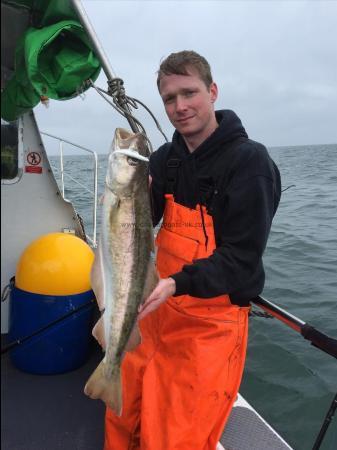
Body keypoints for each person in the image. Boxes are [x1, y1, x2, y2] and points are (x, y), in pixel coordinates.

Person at [104, 50, 281, 450]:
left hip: (209, 326)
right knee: (122, 413)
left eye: (189, 93)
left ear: (213, 91)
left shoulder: (250, 163)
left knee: (171, 436)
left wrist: (177, 283)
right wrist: (123, 198)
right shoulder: (166, 159)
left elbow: (241, 259)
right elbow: (141, 225)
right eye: (169, 98)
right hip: (154, 309)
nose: (180, 107)